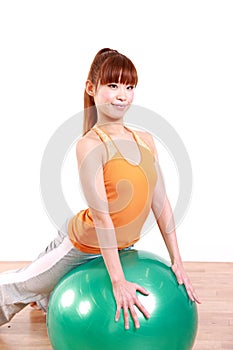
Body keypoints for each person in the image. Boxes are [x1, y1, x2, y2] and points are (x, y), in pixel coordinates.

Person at [0, 48, 200, 330]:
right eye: (113, 85)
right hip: (82, 244)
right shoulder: (91, 144)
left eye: (130, 87)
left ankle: (44, 299)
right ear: (91, 88)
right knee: (20, 286)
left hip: (118, 245)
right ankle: (39, 294)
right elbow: (104, 217)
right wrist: (118, 281)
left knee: (40, 285)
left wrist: (177, 261)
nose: (123, 95)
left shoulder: (145, 140)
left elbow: (161, 202)